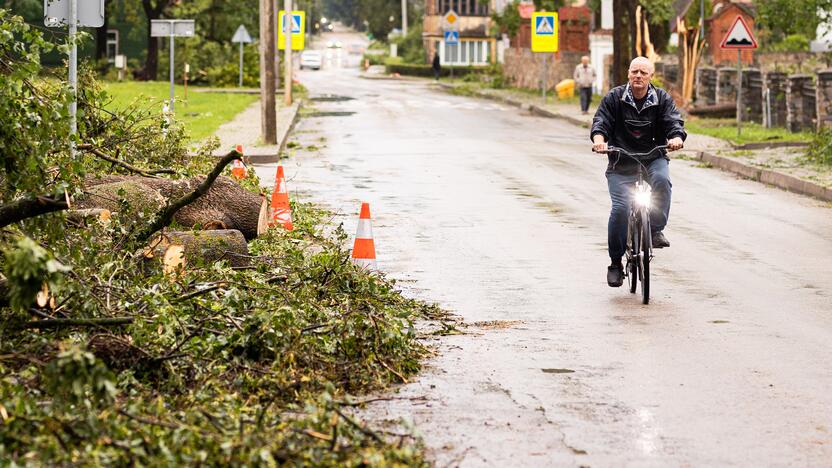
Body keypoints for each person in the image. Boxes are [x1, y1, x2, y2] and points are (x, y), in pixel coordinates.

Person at [590, 57, 686, 288]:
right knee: (621, 209)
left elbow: (674, 122)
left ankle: (655, 229)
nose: (639, 76)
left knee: (663, 181)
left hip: (653, 158)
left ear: (651, 76)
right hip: (621, 163)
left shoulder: (662, 99)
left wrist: (675, 138)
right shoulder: (614, 98)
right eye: (635, 71)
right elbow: (600, 123)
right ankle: (615, 263)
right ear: (628, 74)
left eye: (644, 72)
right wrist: (600, 141)